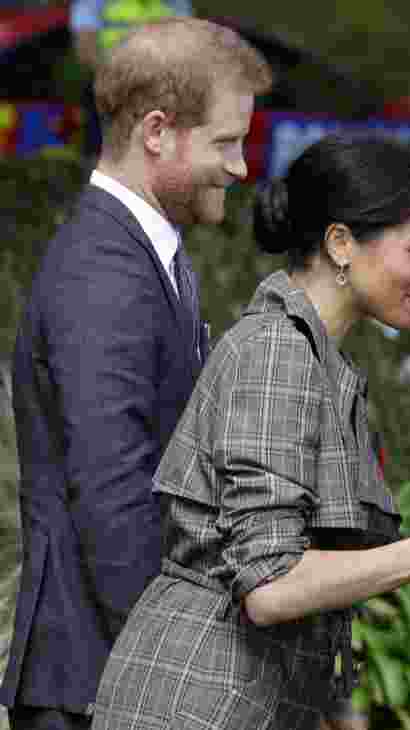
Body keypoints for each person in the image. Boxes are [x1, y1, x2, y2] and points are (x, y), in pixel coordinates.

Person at [89, 135, 410, 730]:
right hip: (198, 703)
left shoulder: (317, 360)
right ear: (341, 244)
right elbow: (272, 586)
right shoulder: (276, 354)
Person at [1, 18, 272, 730]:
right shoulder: (104, 270)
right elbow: (113, 491)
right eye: (225, 142)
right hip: (100, 685)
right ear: (158, 132)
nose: (241, 167)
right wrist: (183, 662)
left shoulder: (139, 255)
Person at [71, 0, 194, 161]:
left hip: (160, 86)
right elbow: (86, 48)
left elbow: (188, 48)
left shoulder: (175, 3)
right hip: (111, 84)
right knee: (104, 156)